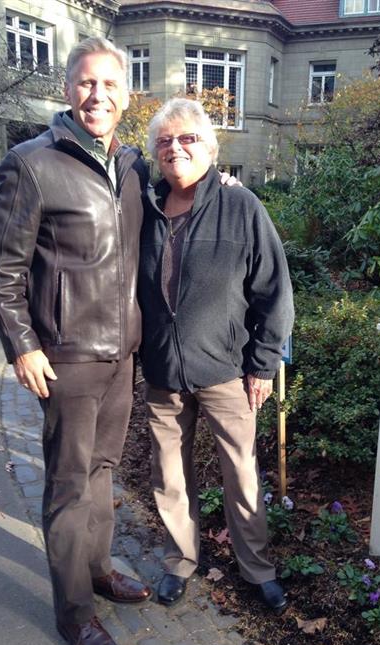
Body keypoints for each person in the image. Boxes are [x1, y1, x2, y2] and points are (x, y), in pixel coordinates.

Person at [0, 37, 153, 645]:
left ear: (126, 95)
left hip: (121, 354)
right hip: (68, 356)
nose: (97, 95)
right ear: (67, 89)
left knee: (103, 471)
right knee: (67, 484)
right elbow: (1, 269)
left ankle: (99, 568)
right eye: (86, 83)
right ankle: (75, 613)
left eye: (109, 84)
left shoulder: (132, 166)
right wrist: (22, 347)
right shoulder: (31, 164)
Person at [138, 98, 295, 613]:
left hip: (226, 370)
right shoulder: (144, 207)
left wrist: (263, 364)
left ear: (209, 146)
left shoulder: (241, 205)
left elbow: (274, 291)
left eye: (187, 138)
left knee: (242, 475)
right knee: (169, 475)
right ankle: (179, 562)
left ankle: (257, 569)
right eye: (165, 141)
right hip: (163, 371)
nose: (175, 148)